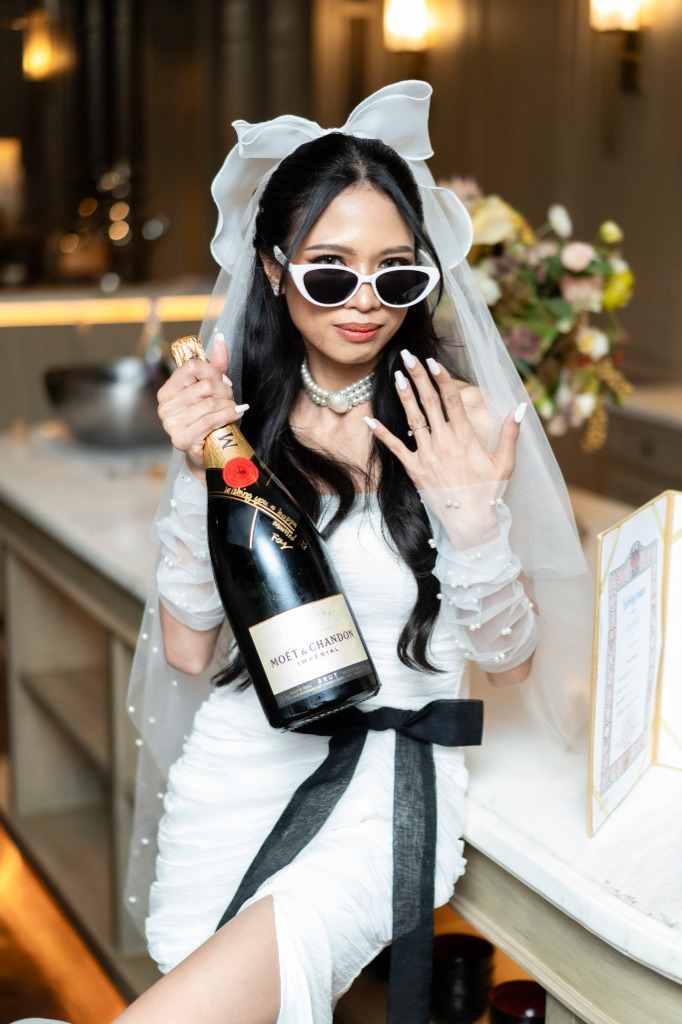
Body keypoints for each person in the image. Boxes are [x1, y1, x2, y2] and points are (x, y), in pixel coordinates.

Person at [14, 80, 592, 1024]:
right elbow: (192, 652)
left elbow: (513, 659)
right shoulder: (235, 420)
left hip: (388, 793)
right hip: (242, 766)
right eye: (331, 272)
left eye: (397, 276)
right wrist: (207, 471)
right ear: (277, 272)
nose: (365, 304)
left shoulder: (460, 422)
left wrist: (473, 522)